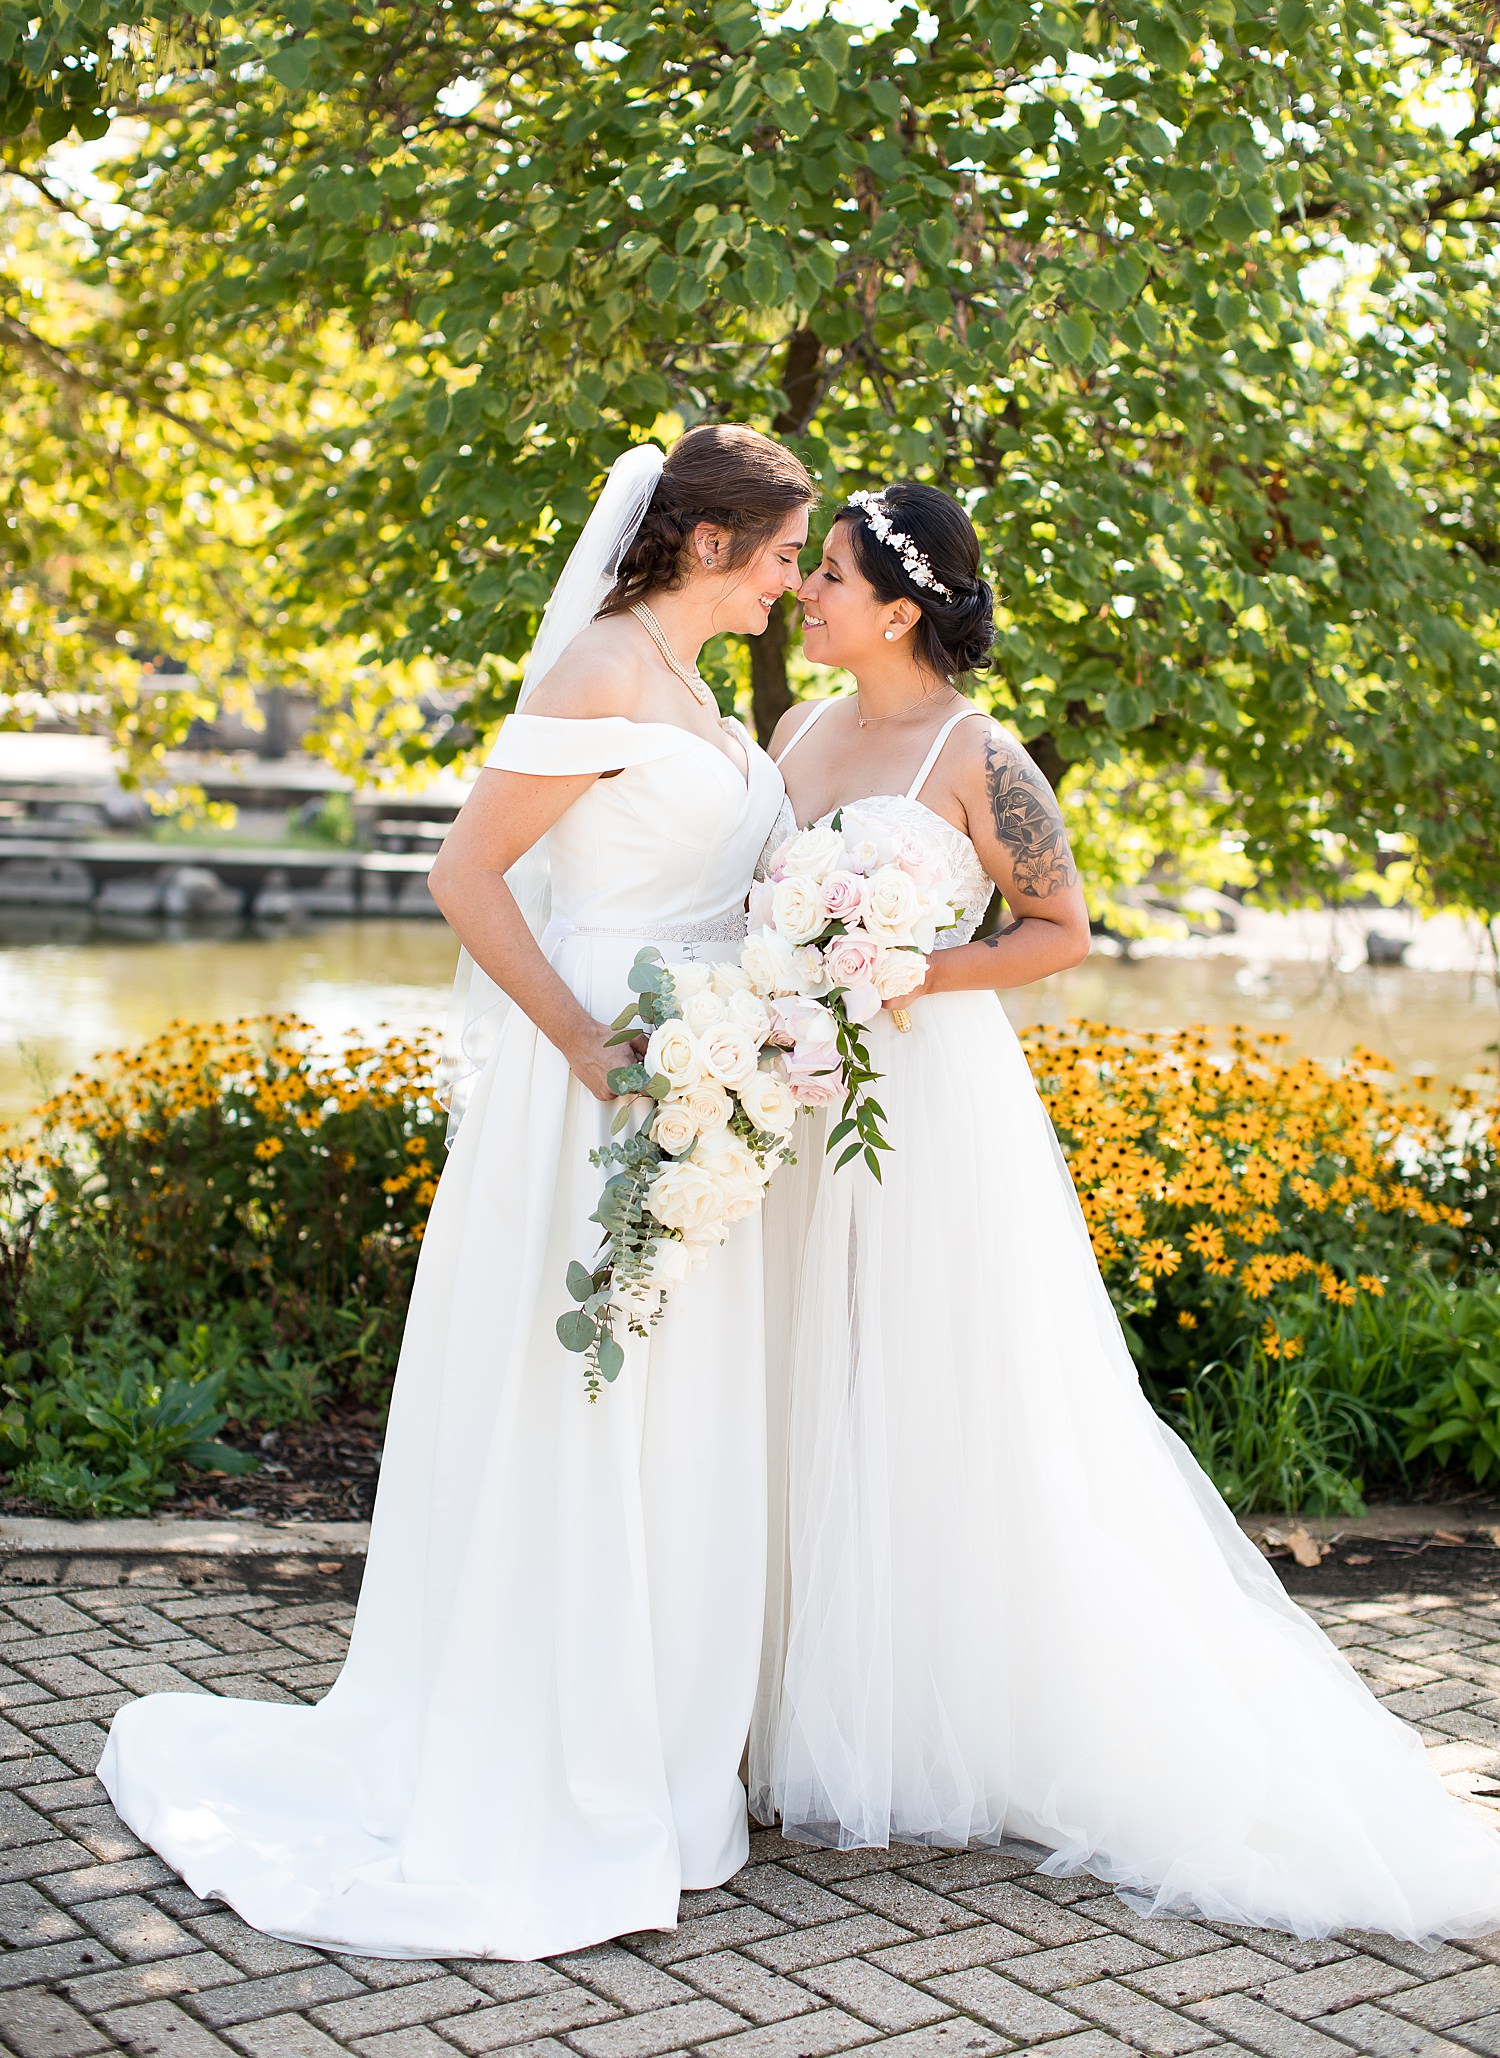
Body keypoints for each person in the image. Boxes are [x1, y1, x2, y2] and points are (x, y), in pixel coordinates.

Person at [98, 426, 813, 1961]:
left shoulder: (696, 690)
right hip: (607, 1080)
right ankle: (558, 1746)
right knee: (587, 1403)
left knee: (675, 1416)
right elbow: (466, 873)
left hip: (709, 1078)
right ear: (705, 544)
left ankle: (669, 1751)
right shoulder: (606, 672)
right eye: (772, 557)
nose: (785, 585)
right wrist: (586, 1043)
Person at [750, 479, 1500, 1941]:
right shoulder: (794, 733)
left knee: (939, 1388)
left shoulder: (985, 754)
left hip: (929, 1101)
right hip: (799, 1097)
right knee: (803, 1375)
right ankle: (794, 1691)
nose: (808, 595)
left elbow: (1063, 931)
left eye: (830, 576)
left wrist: (907, 972)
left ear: (900, 608)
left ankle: (947, 1711)